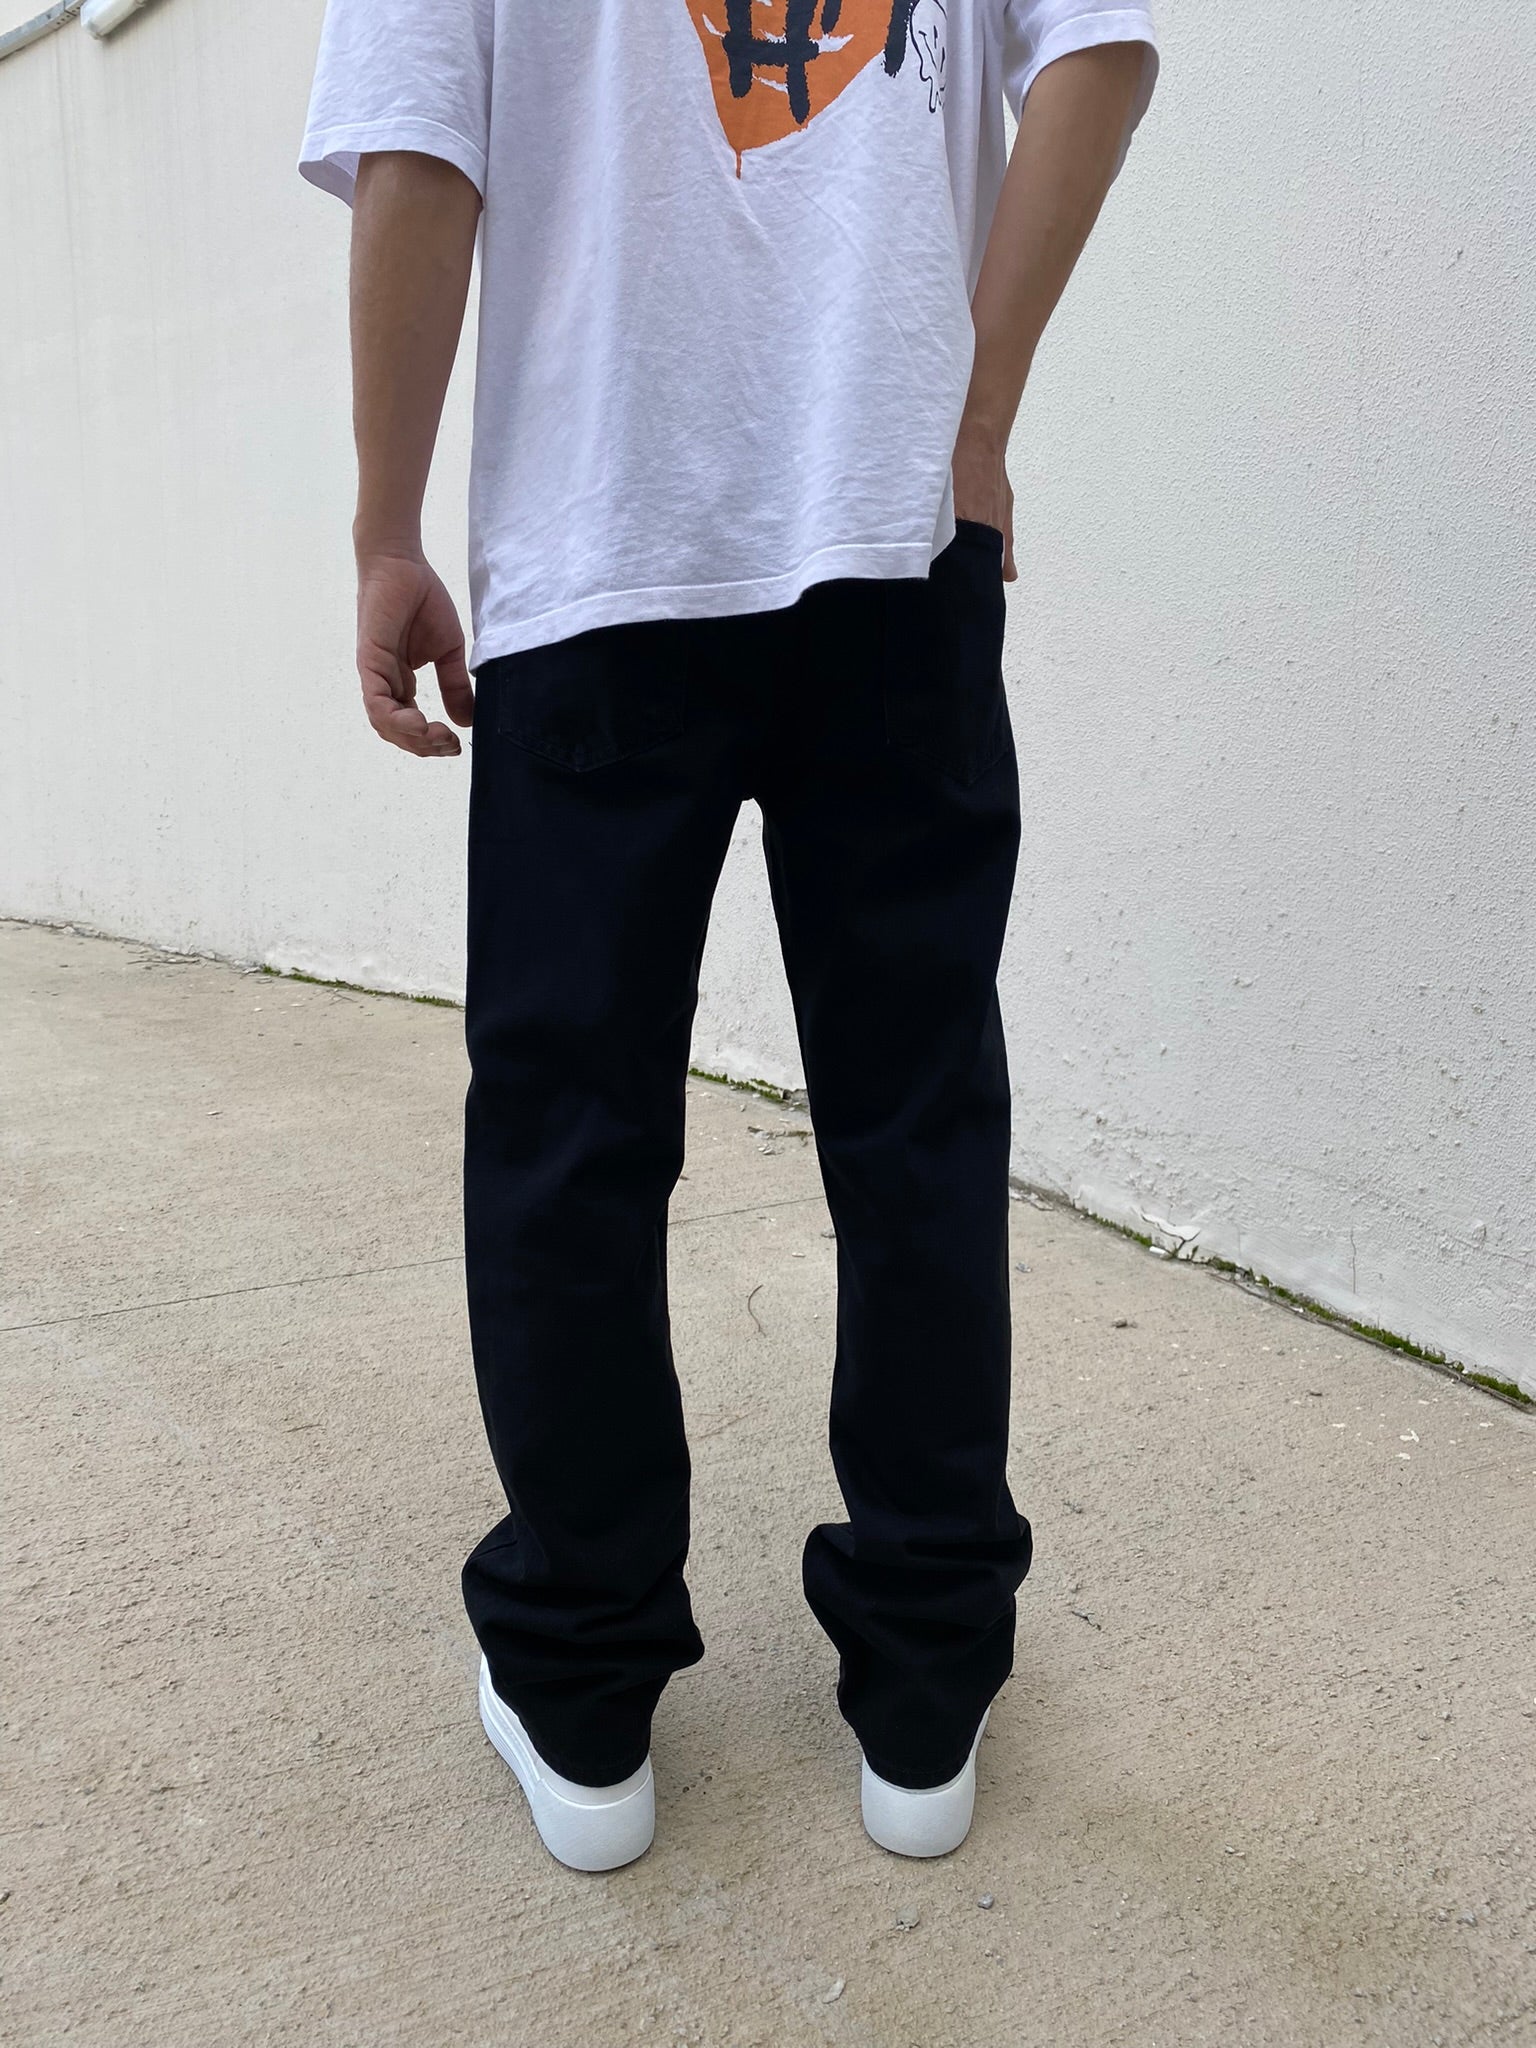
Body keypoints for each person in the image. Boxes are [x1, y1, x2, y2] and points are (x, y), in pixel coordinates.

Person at [300, 0, 1159, 1873]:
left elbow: (419, 151)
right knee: (916, 1121)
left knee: (571, 1137)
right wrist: (973, 425)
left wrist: (385, 529)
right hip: (891, 530)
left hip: (604, 540)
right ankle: (924, 1691)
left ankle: (583, 1692)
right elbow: (1099, 46)